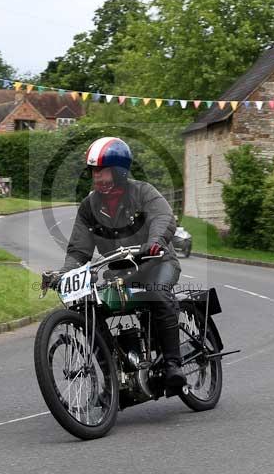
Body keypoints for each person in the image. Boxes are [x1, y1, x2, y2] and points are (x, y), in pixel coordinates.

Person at [52, 136, 186, 391]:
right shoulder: (89, 207)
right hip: (122, 272)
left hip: (158, 262)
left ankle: (173, 365)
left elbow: (163, 216)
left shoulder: (143, 192)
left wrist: (155, 241)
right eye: (94, 171)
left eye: (102, 171)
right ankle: (112, 377)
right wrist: (64, 273)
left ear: (120, 171)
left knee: (157, 295)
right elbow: (79, 250)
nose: (96, 177)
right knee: (90, 308)